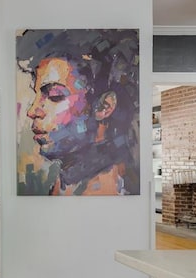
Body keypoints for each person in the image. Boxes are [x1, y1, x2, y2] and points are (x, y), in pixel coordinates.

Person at [16, 29, 140, 196]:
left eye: (55, 96)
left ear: (104, 107)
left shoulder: (108, 189)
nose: (32, 111)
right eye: (36, 94)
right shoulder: (69, 183)